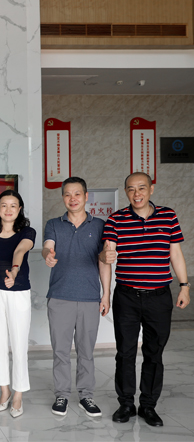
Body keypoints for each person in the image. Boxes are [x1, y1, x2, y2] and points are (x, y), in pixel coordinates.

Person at [100, 172, 190, 427]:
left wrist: (184, 286)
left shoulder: (168, 216)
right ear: (126, 192)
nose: (136, 193)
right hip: (126, 296)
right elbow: (107, 255)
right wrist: (105, 289)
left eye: (141, 188)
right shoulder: (115, 220)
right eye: (131, 189)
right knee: (125, 352)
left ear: (151, 189)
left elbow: (176, 254)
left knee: (154, 353)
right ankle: (126, 404)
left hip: (159, 297)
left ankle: (148, 405)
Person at [42, 176, 111, 418]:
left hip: (90, 297)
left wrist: (106, 294)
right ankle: (61, 395)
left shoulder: (100, 225)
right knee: (60, 351)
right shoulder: (54, 223)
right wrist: (47, 254)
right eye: (67, 194)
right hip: (60, 296)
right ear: (63, 197)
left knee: (86, 351)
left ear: (86, 196)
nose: (72, 199)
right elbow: (48, 245)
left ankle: (86, 396)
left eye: (77, 194)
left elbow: (104, 261)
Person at [0, 190, 35, 418]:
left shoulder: (27, 232)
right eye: (4, 205)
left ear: (19, 209)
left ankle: (18, 393)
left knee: (19, 344)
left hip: (18, 291)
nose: (9, 209)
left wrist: (13, 271)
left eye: (13, 205)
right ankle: (4, 391)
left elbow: (20, 250)